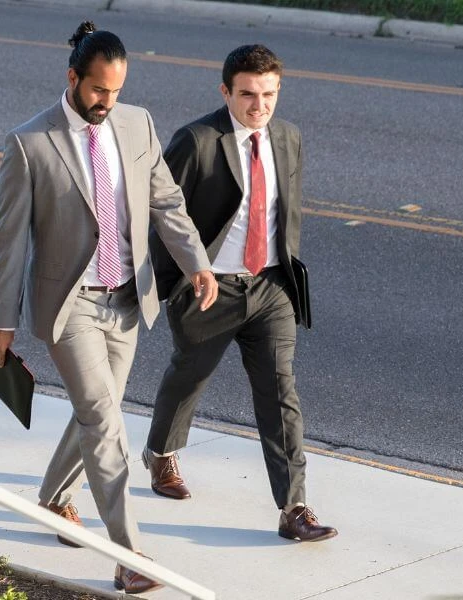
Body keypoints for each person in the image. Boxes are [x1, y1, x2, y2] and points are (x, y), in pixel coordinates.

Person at [0, 21, 218, 593]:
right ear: (72, 78)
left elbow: (165, 200)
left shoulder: (136, 124)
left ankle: (53, 496)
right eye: (97, 91)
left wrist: (196, 262)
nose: (106, 103)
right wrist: (1, 320)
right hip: (71, 307)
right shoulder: (30, 141)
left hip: (127, 300)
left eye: (114, 92)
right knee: (103, 419)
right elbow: (9, 240)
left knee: (101, 409)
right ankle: (129, 555)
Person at [144, 44, 337, 542]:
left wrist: (287, 277)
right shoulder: (197, 140)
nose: (259, 106)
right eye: (247, 94)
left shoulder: (289, 138)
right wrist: (177, 284)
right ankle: (161, 452)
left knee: (279, 392)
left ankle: (293, 506)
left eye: (269, 94)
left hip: (270, 287)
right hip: (211, 287)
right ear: (225, 90)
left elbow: (285, 214)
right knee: (190, 375)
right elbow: (162, 213)